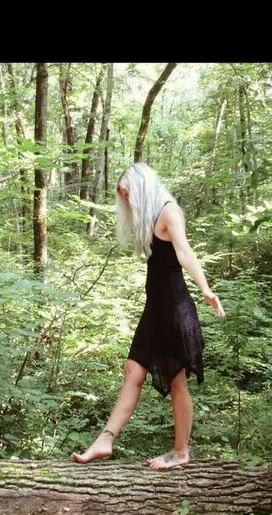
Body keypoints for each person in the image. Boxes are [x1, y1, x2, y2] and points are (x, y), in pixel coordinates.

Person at [71, 162, 226, 470]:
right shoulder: (152, 216)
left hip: (173, 309)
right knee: (133, 370)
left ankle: (181, 452)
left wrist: (206, 289)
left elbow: (185, 252)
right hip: (155, 309)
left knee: (177, 380)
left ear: (142, 188)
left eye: (129, 194)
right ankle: (104, 441)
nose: (128, 201)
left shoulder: (169, 212)